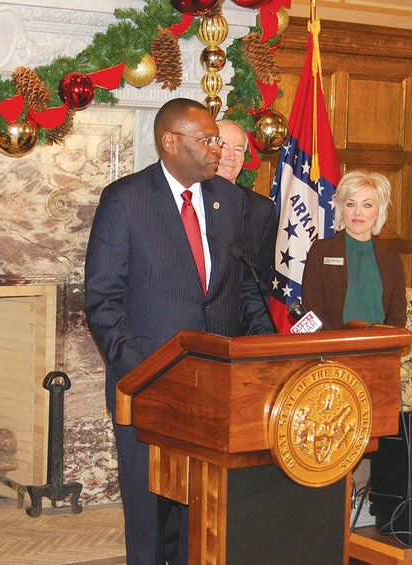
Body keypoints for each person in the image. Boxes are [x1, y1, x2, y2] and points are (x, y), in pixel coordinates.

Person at [84, 98, 274, 564]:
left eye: (218, 140)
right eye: (206, 139)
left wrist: (267, 358)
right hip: (149, 390)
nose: (218, 150)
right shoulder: (125, 199)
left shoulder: (229, 201)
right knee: (150, 522)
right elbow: (102, 299)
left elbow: (245, 292)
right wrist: (143, 374)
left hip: (215, 391)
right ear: (170, 142)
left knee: (202, 520)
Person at [300, 170, 406, 330]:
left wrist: (383, 345)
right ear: (342, 209)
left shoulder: (391, 259)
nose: (358, 212)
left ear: (378, 212)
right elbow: (312, 308)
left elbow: (397, 317)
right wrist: (339, 345)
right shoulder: (321, 251)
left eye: (367, 205)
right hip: (333, 349)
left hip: (379, 348)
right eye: (351, 204)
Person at [215, 119, 278, 288]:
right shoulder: (188, 199)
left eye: (238, 149)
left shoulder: (262, 210)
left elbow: (260, 276)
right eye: (223, 146)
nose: (231, 156)